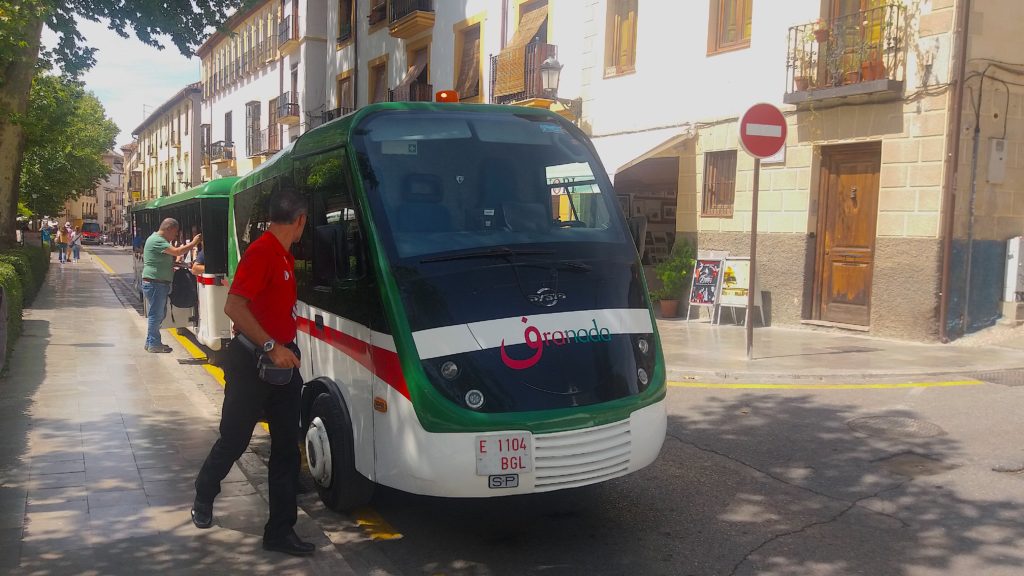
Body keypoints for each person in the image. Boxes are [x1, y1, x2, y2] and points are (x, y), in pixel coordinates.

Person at [192, 188, 312, 557]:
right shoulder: (262, 252)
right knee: (234, 439)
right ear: (301, 221)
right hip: (252, 363)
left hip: (282, 365)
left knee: (286, 449)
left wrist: (285, 349)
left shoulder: (285, 255)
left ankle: (279, 531)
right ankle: (204, 494)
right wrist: (271, 346)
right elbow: (233, 306)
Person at [142, 218, 201, 353]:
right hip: (155, 283)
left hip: (156, 283)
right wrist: (194, 243)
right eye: (174, 233)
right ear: (168, 228)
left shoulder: (156, 240)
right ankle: (154, 344)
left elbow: (163, 261)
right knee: (156, 315)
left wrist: (180, 265)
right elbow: (177, 252)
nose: (174, 237)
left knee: (158, 314)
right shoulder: (157, 240)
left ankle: (151, 341)